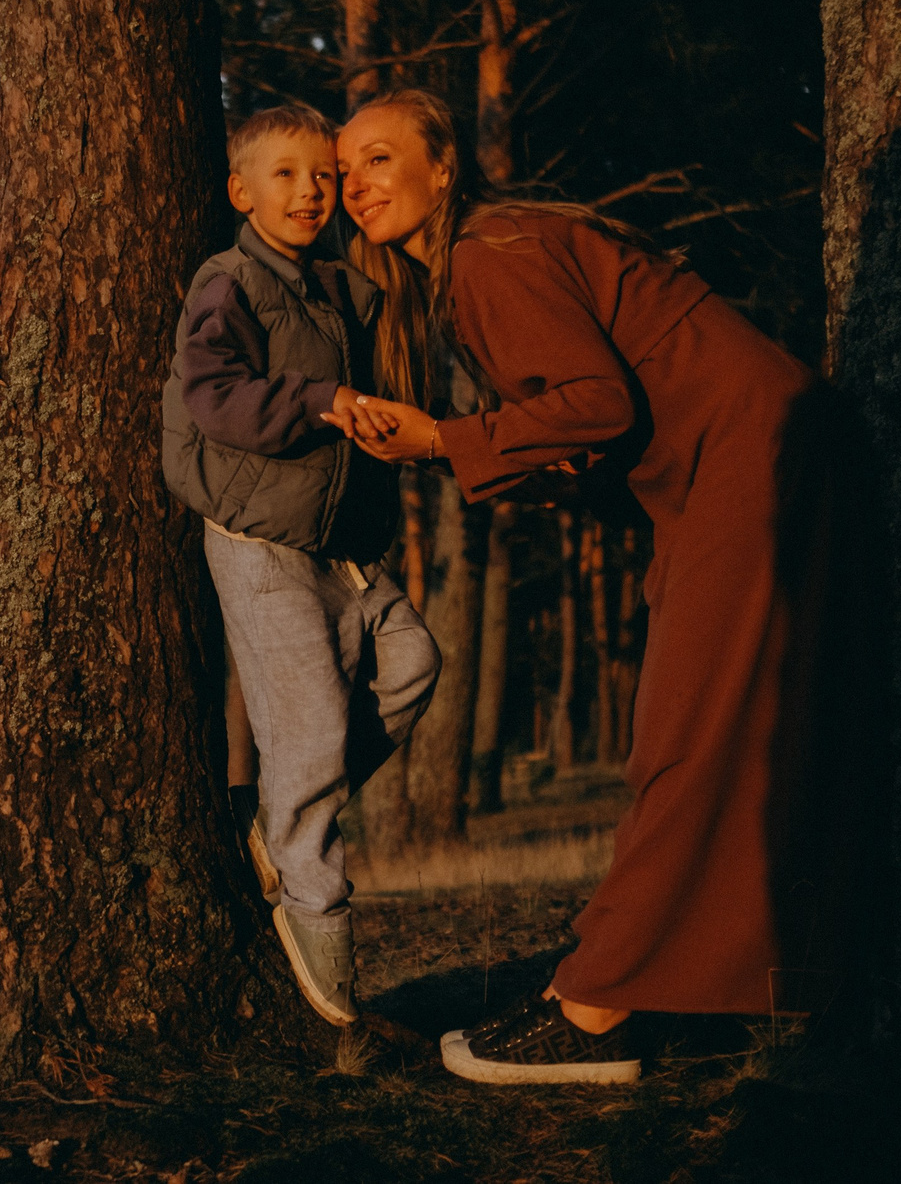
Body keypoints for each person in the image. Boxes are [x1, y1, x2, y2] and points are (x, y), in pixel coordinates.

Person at [331, 88, 829, 1086]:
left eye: (379, 159)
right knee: (737, 731)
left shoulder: (486, 252)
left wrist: (444, 439)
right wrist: (488, 456)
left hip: (747, 459)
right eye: (345, 171)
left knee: (684, 737)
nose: (354, 184)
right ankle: (730, 982)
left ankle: (596, 1009)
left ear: (442, 166)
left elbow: (597, 402)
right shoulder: (490, 253)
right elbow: (604, 417)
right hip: (740, 463)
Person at [159, 105, 441, 1028]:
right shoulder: (229, 281)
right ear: (241, 191)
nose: (312, 191)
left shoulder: (341, 287)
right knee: (312, 727)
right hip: (260, 541)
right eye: (286, 174)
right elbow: (213, 394)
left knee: (414, 664)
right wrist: (323, 399)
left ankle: (283, 818)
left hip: (342, 546)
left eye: (324, 175)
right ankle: (319, 924)